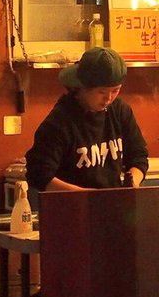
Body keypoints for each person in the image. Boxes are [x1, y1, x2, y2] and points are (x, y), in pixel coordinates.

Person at [25, 46, 148, 191]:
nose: (109, 98)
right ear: (82, 87)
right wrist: (86, 197)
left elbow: (138, 157)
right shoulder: (60, 121)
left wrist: (133, 183)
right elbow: (39, 175)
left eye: (115, 90)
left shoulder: (120, 111)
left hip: (112, 201)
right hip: (71, 203)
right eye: (102, 92)